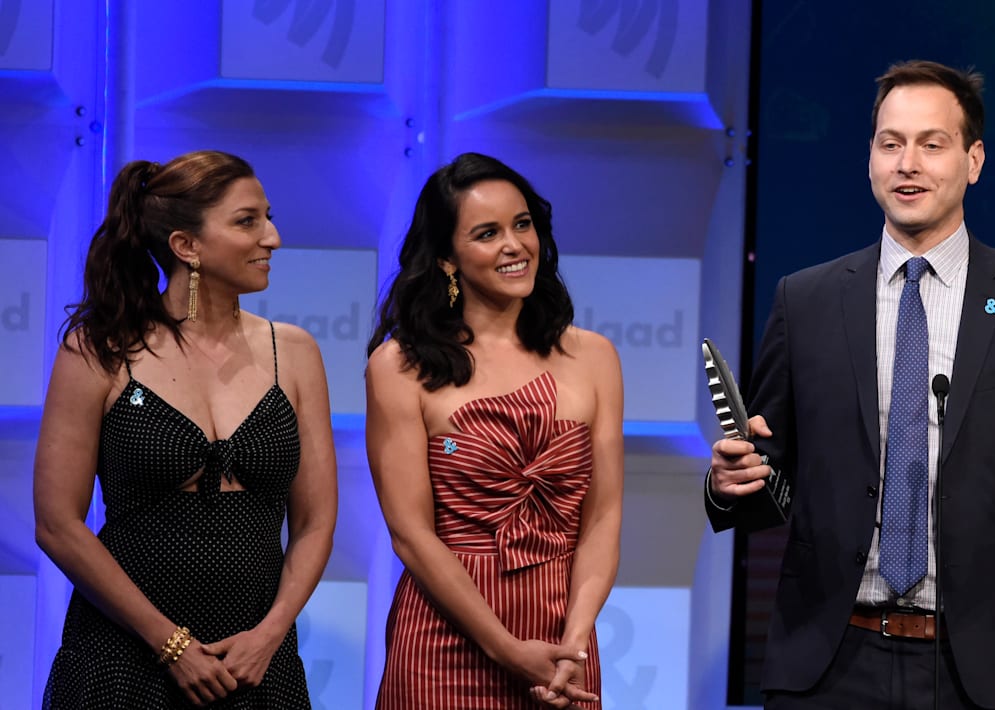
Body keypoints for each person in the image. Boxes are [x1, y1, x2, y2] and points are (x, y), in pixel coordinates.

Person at [705, 59, 995, 709]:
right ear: (870, 159)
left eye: (932, 145)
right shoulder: (806, 301)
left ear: (973, 160)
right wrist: (730, 484)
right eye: (890, 144)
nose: (908, 164)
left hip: (980, 668)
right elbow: (767, 483)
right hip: (829, 661)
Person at [34, 150, 337, 708]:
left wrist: (269, 635)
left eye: (268, 217)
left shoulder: (294, 352)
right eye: (247, 221)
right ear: (186, 246)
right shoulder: (99, 350)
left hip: (255, 661)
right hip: (125, 656)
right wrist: (170, 645)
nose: (272, 238)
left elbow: (315, 523)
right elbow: (57, 525)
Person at [366, 152, 623, 709]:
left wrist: (575, 642)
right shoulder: (399, 365)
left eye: (522, 224)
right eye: (487, 233)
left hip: (563, 645)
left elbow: (602, 518)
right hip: (443, 642)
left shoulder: (594, 356)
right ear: (447, 259)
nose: (515, 245)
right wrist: (506, 648)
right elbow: (411, 535)